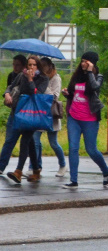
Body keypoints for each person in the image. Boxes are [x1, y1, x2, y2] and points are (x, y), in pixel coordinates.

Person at [61, 51, 108, 188]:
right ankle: (74, 180)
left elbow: (95, 87)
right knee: (73, 148)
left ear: (92, 63)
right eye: (82, 61)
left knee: (91, 150)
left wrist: (90, 72)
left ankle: (106, 171)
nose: (83, 64)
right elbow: (73, 92)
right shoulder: (77, 75)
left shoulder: (98, 76)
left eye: (86, 61)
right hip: (74, 117)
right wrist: (67, 93)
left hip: (90, 119)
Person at [2, 55, 46, 185]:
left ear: (38, 66)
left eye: (34, 65)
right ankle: (36, 170)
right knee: (30, 143)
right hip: (20, 111)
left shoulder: (43, 79)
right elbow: (11, 86)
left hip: (33, 113)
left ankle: (18, 171)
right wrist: (7, 94)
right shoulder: (22, 75)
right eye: (29, 65)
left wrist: (31, 79)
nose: (31, 67)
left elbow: (37, 94)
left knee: (25, 139)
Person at [34, 57, 67, 177]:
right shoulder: (38, 78)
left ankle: (63, 165)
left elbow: (55, 97)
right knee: (35, 141)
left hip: (50, 114)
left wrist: (44, 85)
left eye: (44, 66)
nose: (42, 68)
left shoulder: (56, 78)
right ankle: (34, 167)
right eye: (40, 66)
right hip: (39, 113)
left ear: (50, 66)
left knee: (53, 143)